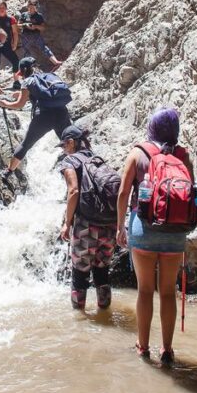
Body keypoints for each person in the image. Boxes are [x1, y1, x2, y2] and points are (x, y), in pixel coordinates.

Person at [116, 107, 194, 365]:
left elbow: (123, 193)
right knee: (168, 292)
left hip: (143, 227)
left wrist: (119, 227)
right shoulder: (183, 155)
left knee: (145, 290)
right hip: (174, 232)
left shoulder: (138, 153)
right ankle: (168, 349)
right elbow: (191, 194)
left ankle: (143, 346)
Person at [58, 125, 117, 311]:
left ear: (71, 142)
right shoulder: (97, 160)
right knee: (102, 273)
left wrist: (66, 224)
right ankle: (104, 315)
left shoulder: (70, 161)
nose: (63, 150)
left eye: (63, 146)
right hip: (109, 224)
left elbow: (73, 191)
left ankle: (80, 322)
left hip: (86, 226)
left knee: (79, 275)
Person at [0, 56, 71, 172]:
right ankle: (83, 165)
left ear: (24, 70)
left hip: (43, 117)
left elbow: (19, 105)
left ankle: (9, 171)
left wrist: (5, 104)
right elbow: (43, 93)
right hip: (61, 112)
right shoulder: (49, 76)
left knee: (26, 144)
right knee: (69, 141)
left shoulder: (27, 81)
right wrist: (20, 93)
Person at [18, 0, 62, 69]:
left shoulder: (39, 16)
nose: (31, 9)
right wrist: (25, 25)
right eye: (29, 7)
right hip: (25, 35)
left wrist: (35, 26)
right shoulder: (24, 15)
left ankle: (55, 62)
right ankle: (26, 68)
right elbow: (18, 25)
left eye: (32, 7)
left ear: (36, 7)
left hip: (36, 35)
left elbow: (43, 28)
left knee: (44, 48)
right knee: (26, 51)